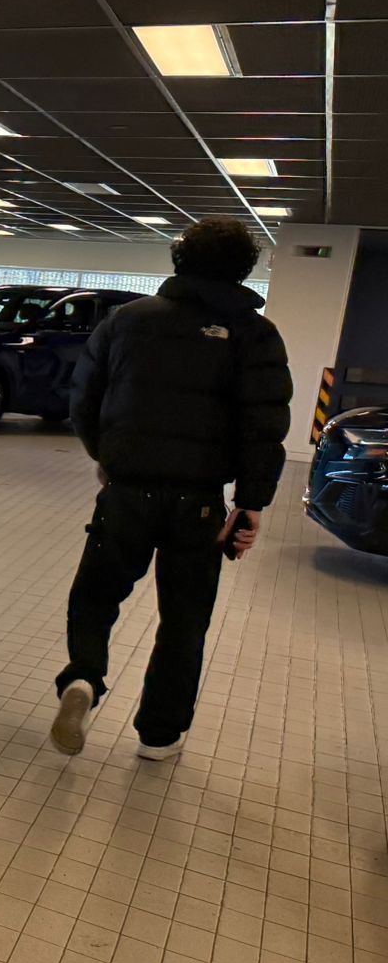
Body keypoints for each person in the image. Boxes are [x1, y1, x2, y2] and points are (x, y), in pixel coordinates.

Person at [49, 216, 290, 761]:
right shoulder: (257, 335)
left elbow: (84, 399)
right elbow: (265, 425)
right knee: (184, 619)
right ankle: (159, 735)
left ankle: (83, 678)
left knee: (95, 596)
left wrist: (107, 459)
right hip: (199, 503)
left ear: (180, 261)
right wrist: (251, 504)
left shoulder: (126, 321)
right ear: (243, 270)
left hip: (126, 492)